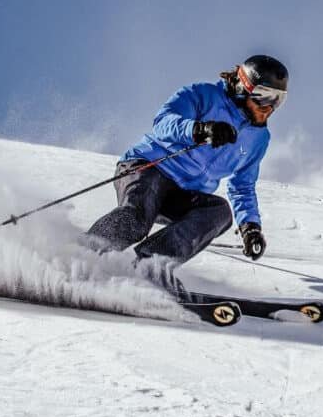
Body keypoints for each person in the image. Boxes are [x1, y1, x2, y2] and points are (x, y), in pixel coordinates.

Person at [82, 55, 287, 295]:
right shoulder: (203, 94)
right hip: (149, 168)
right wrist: (199, 129)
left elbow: (242, 185)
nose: (270, 108)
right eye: (265, 96)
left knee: (218, 212)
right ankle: (81, 254)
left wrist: (250, 226)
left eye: (279, 100)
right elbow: (163, 122)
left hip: (184, 193)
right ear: (244, 86)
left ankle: (150, 266)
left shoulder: (259, 139)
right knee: (137, 218)